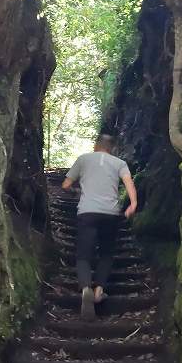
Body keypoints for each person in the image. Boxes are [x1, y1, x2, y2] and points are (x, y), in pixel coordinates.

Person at [62, 133, 138, 320]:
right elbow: (129, 183)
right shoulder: (120, 163)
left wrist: (77, 192)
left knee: (83, 255)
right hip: (111, 214)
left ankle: (86, 287)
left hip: (87, 212)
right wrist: (133, 204)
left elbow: (65, 185)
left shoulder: (83, 159)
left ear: (96, 146)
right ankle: (99, 290)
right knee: (106, 253)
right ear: (112, 148)